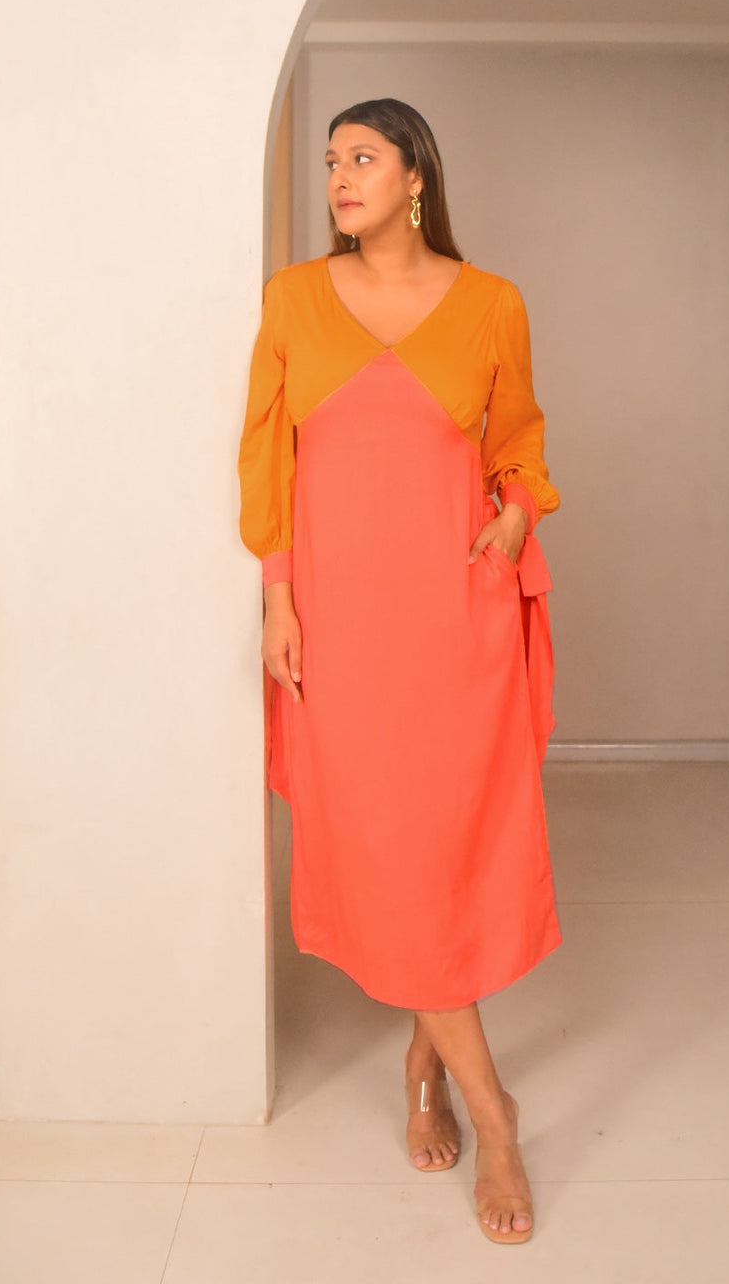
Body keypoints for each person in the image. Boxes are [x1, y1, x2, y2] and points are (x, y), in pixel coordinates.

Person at [237, 97, 561, 1245]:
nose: (340, 176)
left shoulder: (491, 303)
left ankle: (437, 1079)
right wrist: (279, 597)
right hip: (344, 626)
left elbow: (517, 444)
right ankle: (492, 1108)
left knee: (444, 854)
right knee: (388, 856)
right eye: (332, 160)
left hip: (455, 622)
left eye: (364, 157)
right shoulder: (293, 298)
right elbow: (267, 457)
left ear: (416, 175)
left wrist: (516, 512)